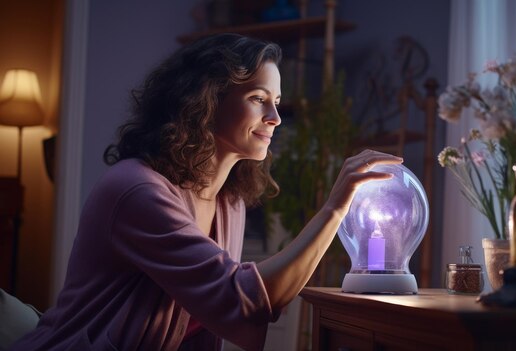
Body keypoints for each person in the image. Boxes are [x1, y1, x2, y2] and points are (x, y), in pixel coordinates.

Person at [10, 33, 402, 351]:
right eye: (258, 99)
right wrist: (334, 208)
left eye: (277, 102)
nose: (276, 118)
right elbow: (243, 299)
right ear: (206, 101)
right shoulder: (135, 190)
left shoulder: (229, 201)